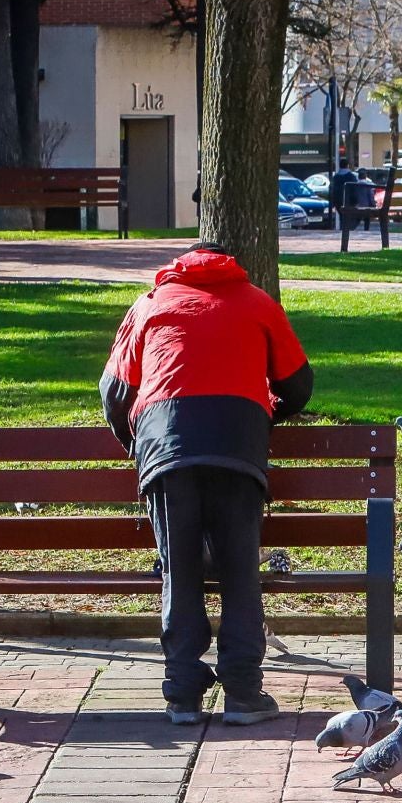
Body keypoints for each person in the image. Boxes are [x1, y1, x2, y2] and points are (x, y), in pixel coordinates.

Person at [100, 243, 314, 726]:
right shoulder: (258, 302)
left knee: (180, 568)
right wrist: (262, 416)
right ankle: (242, 693)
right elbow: (298, 386)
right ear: (231, 266)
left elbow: (114, 391)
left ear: (180, 266)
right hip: (238, 447)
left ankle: (182, 695)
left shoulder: (151, 305)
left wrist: (133, 439)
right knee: (240, 571)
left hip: (167, 447)